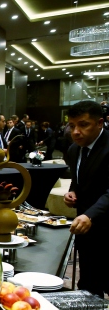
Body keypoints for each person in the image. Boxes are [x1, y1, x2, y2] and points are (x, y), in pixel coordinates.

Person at [63, 100, 109, 298]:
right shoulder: (74, 150)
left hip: (105, 226)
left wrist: (90, 215)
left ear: (99, 123)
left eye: (83, 125)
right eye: (72, 125)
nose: (75, 132)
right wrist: (72, 192)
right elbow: (80, 180)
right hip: (85, 230)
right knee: (89, 284)